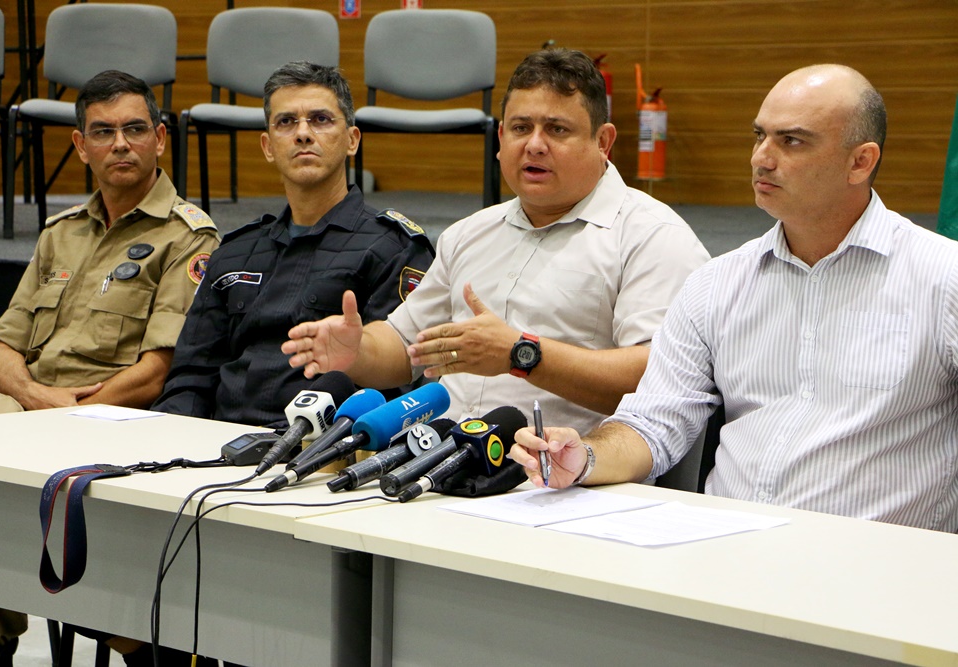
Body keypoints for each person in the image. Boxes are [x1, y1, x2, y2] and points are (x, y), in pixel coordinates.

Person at [511, 64, 958, 533]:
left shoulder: (942, 278)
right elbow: (653, 423)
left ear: (860, 162)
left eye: (792, 141)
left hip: (874, 567)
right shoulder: (716, 283)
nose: (762, 158)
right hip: (726, 549)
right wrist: (584, 457)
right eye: (759, 136)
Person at [282, 48, 709, 433]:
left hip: (567, 484)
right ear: (501, 139)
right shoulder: (469, 234)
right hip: (440, 466)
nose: (535, 145)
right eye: (521, 128)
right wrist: (356, 351)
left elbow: (659, 379)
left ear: (604, 142)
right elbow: (403, 349)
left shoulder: (652, 235)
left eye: (557, 130)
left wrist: (522, 355)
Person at [0, 71, 220, 667]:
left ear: (160, 139)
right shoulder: (61, 233)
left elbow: (158, 371)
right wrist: (37, 398)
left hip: (111, 425)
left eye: (133, 130)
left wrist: (63, 412)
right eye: (103, 132)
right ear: (81, 146)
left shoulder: (188, 237)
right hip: (31, 413)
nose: (120, 144)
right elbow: (2, 348)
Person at [152, 62, 435, 427]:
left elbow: (398, 383)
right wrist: (173, 446)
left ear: (352, 140)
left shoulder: (394, 248)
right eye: (286, 122)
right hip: (214, 449)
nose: (303, 134)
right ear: (268, 146)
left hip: (324, 458)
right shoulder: (234, 251)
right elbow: (190, 379)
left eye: (320, 120)